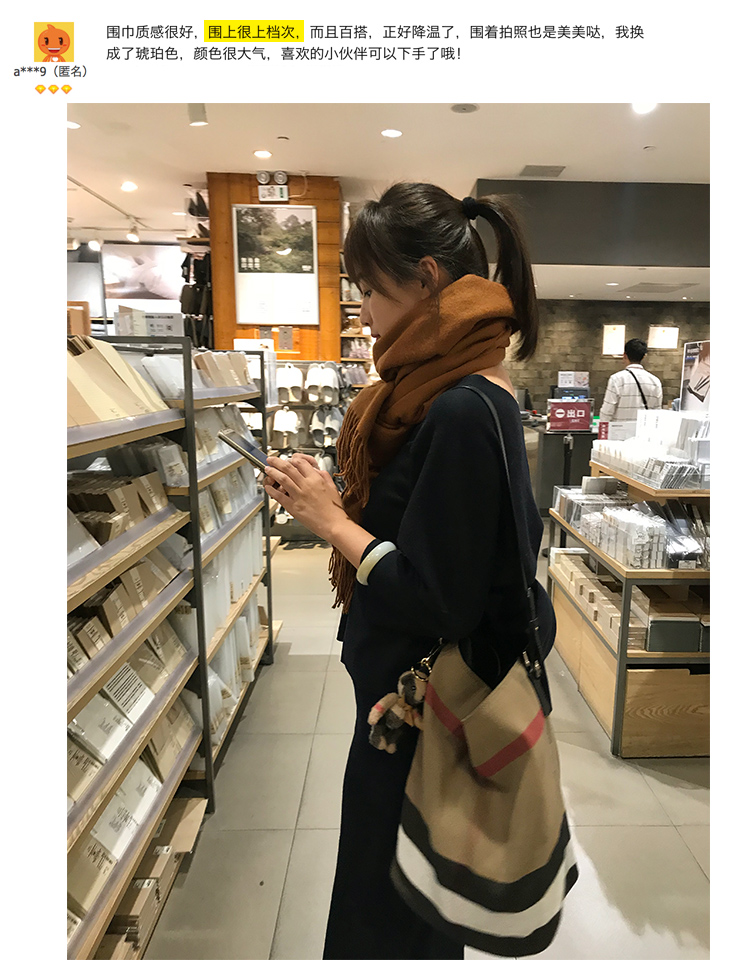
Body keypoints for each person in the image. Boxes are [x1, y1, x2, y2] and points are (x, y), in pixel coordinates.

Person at [262, 182, 557, 960]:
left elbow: (440, 600)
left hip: (419, 720)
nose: (362, 311)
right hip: (409, 710)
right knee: (404, 917)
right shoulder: (440, 394)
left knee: (383, 925)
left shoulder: (461, 407)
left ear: (425, 279)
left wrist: (331, 521)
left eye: (369, 289)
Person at [599, 338, 663, 422]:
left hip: (619, 429)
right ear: (644, 357)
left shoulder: (616, 379)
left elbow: (607, 411)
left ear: (624, 355)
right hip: (643, 429)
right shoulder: (655, 381)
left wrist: (603, 425)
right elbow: (656, 413)